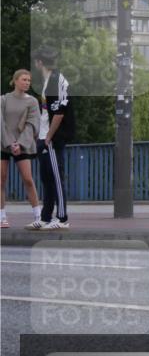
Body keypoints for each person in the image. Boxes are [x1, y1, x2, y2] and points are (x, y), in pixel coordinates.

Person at [31, 47, 74, 230]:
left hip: (53, 138)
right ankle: (45, 217)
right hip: (44, 136)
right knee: (47, 178)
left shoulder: (57, 81)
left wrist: (48, 137)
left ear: (39, 62)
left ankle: (62, 218)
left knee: (57, 178)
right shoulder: (48, 81)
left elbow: (59, 113)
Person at [1, 70, 42, 229]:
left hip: (23, 145)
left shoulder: (32, 101)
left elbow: (33, 124)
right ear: (15, 80)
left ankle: (38, 215)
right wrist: (10, 143)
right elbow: (1, 123)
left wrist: (20, 144)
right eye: (24, 79)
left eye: (29, 80)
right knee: (1, 179)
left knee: (28, 179)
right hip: (3, 143)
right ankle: (2, 217)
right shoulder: (3, 100)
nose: (27, 82)